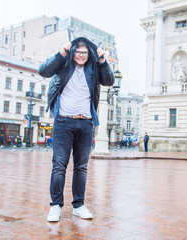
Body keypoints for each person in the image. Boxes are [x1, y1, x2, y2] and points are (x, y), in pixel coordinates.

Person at [38, 37, 114, 222]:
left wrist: (103, 61)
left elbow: (109, 81)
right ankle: (55, 206)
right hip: (64, 122)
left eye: (85, 53)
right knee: (59, 166)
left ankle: (78, 205)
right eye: (78, 52)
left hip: (86, 123)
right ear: (73, 53)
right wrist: (61, 53)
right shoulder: (63, 64)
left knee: (81, 167)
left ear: (89, 55)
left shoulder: (94, 68)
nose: (81, 56)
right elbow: (43, 71)